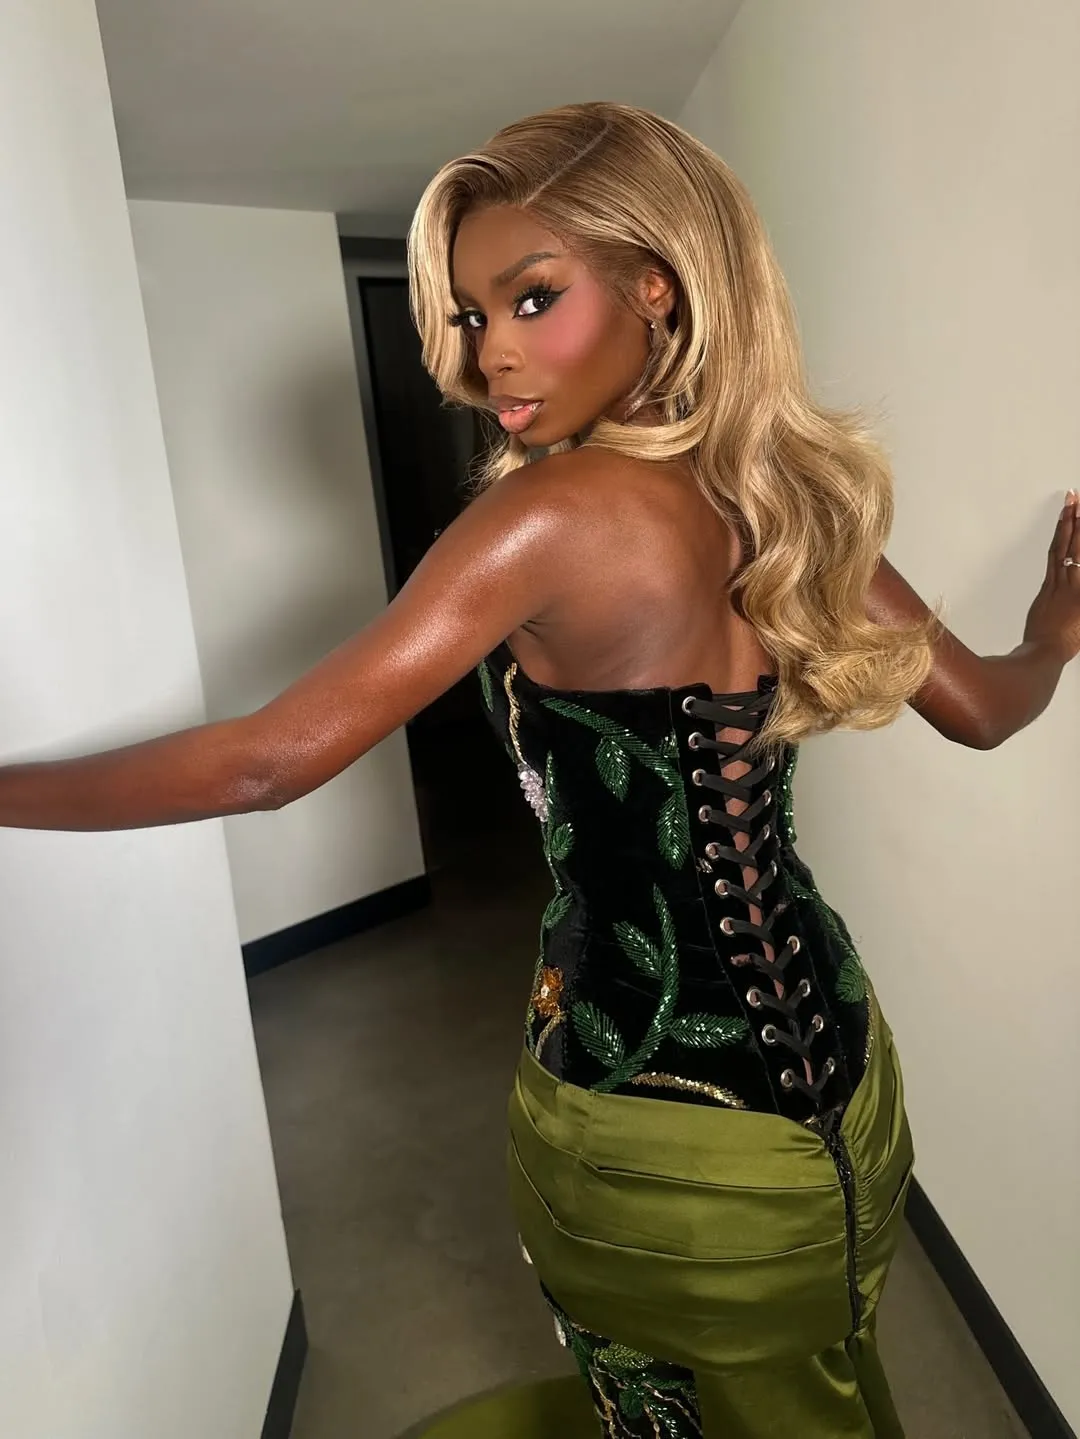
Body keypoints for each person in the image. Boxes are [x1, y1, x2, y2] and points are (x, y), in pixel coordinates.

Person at [2, 102, 1078, 1438]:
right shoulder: (781, 492)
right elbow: (987, 710)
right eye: (470, 314)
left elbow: (266, 764)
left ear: (656, 288)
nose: (489, 352)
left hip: (659, 1130)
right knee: (814, 1388)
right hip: (844, 1081)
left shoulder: (552, 515)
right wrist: (1052, 633)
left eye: (531, 298)